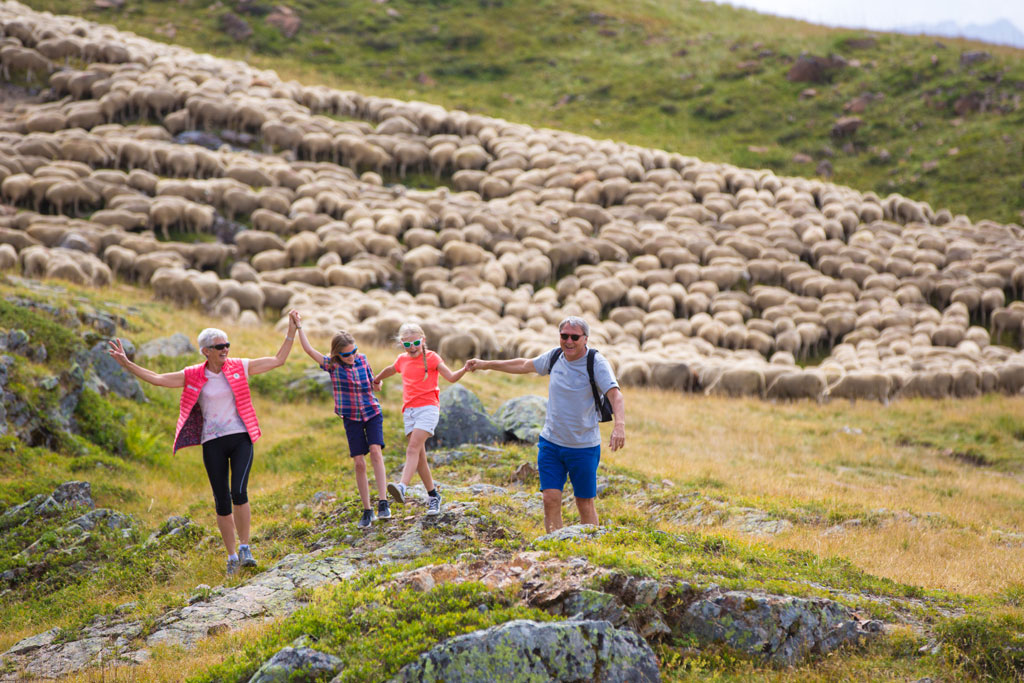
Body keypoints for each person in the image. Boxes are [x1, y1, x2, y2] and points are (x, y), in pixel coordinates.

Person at [107, 314, 299, 575]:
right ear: (206, 351)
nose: (225, 350)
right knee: (221, 500)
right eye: (220, 346)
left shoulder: (239, 366)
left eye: (227, 345)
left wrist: (291, 331)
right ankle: (232, 557)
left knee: (239, 491)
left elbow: (278, 360)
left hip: (240, 437)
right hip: (212, 442)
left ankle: (245, 548)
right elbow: (157, 378)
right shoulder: (193, 374)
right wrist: (127, 364)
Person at [466, 316, 625, 532]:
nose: (569, 341)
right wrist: (486, 364)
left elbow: (615, 395)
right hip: (551, 443)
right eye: (564, 336)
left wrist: (619, 426)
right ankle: (554, 544)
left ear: (585, 339)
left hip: (583, 446)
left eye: (574, 337)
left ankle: (589, 544)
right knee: (550, 498)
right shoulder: (555, 356)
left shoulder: (596, 363)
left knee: (584, 502)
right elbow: (524, 364)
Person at [290, 310, 390, 529]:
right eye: (346, 354)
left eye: (354, 351)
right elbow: (309, 350)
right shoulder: (332, 366)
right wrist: (298, 327)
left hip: (372, 412)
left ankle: (383, 502)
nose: (351, 356)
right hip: (351, 417)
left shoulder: (363, 359)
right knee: (359, 463)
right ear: (337, 355)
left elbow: (373, 383)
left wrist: (377, 384)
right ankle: (367, 510)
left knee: (375, 451)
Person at [373, 322, 468, 515]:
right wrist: (377, 379)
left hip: (428, 409)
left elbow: (450, 377)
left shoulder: (432, 358)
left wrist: (465, 369)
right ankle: (434, 496)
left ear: (423, 340)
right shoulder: (402, 359)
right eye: (407, 344)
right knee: (420, 457)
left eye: (416, 342)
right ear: (402, 344)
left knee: (412, 449)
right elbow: (391, 369)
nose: (412, 347)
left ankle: (402, 487)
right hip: (409, 411)